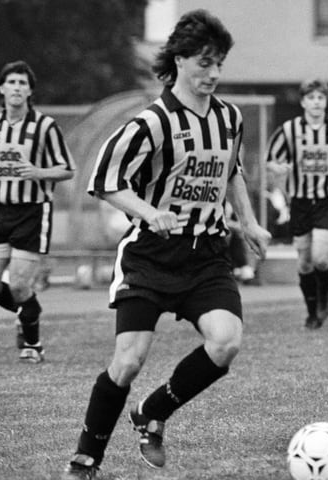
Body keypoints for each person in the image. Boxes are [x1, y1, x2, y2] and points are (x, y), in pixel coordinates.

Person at [61, 10, 270, 479]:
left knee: (226, 342)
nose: (213, 73)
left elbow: (232, 171)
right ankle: (86, 458)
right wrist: (149, 212)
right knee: (129, 360)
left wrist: (250, 223)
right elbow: (106, 180)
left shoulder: (229, 118)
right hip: (151, 257)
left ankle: (153, 411)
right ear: (178, 60)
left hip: (207, 255)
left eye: (219, 63)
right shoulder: (151, 123)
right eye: (204, 62)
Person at [0, 60, 75, 363]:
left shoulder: (45, 126)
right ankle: (27, 312)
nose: (17, 88)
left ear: (30, 90)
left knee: (20, 284)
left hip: (32, 212)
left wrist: (37, 171)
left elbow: (67, 170)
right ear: (2, 88)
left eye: (23, 83)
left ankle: (32, 345)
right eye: (12, 82)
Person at [266, 79, 328, 329]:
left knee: (321, 257)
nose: (316, 102)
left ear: (325, 101)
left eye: (320, 98)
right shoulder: (290, 130)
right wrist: (278, 168)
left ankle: (323, 299)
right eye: (311, 98)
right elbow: (271, 160)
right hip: (299, 202)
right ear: (303, 102)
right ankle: (312, 313)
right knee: (304, 262)